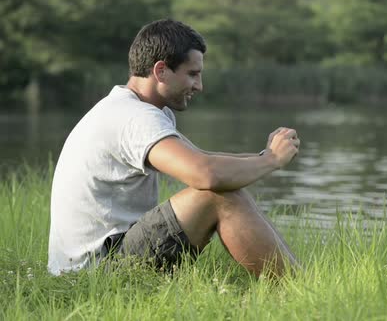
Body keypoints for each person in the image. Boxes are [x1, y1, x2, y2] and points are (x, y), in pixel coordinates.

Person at [48, 19, 300, 277]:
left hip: (99, 260)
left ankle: (298, 282)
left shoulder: (135, 109)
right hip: (95, 270)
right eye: (192, 74)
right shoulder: (134, 117)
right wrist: (271, 160)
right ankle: (297, 290)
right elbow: (206, 174)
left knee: (223, 187)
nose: (199, 86)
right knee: (217, 194)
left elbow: (203, 159)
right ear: (161, 71)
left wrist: (265, 154)